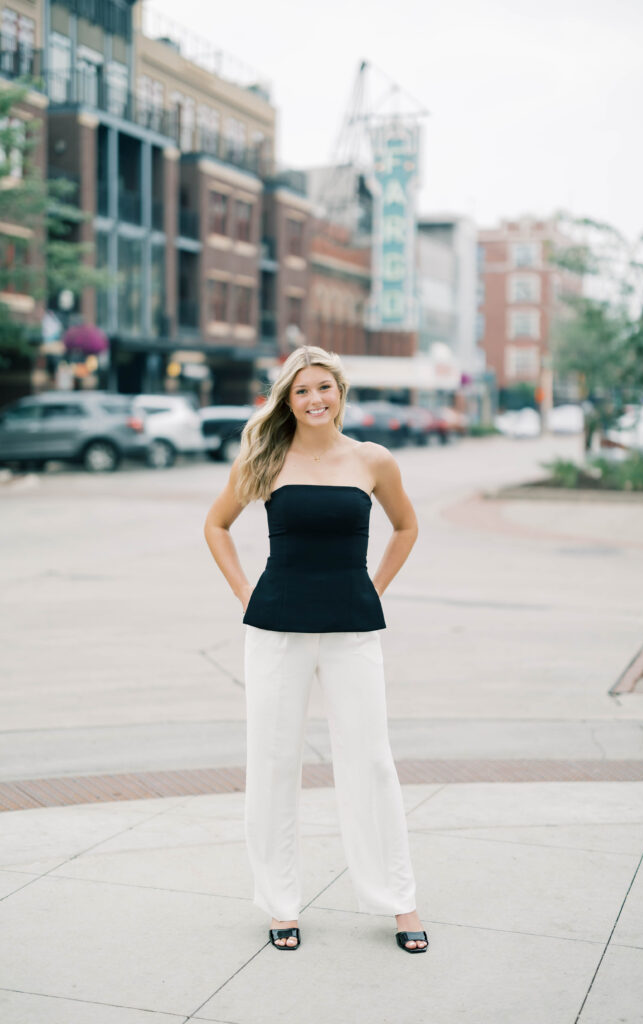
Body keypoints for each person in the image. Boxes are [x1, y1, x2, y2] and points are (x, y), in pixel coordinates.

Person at [203, 345, 428, 954]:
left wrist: (372, 587)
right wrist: (246, 592)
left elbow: (406, 526)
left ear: (340, 391)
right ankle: (280, 905)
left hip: (353, 626)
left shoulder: (372, 459)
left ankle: (399, 902)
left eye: (323, 387)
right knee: (274, 762)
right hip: (276, 627)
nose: (314, 400)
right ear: (288, 399)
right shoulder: (266, 458)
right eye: (302, 391)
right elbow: (215, 525)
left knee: (371, 761)